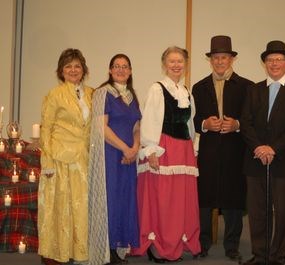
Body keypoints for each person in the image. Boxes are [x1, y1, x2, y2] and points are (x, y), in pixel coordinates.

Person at [240, 40, 285, 265]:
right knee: (258, 212)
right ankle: (260, 255)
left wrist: (273, 148)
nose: (275, 63)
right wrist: (259, 147)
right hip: (255, 159)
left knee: (282, 213)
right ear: (264, 63)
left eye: (279, 59)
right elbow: (246, 122)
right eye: (270, 60)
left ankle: (278, 256)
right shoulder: (253, 89)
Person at [133, 46, 201, 262]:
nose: (176, 65)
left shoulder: (186, 91)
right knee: (162, 198)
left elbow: (189, 123)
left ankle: (175, 241)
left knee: (180, 199)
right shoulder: (157, 88)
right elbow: (151, 119)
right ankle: (158, 244)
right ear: (164, 64)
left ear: (185, 65)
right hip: (164, 148)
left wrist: (192, 148)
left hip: (183, 151)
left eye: (180, 61)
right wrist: (151, 149)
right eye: (172, 61)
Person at [192, 35, 254, 259]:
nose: (220, 62)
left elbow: (250, 119)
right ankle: (203, 242)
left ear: (231, 59)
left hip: (235, 151)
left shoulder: (247, 86)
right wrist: (205, 124)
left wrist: (236, 124)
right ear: (210, 60)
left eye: (224, 57)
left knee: (234, 199)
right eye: (216, 57)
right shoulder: (199, 87)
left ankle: (232, 246)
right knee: (205, 198)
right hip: (208, 151)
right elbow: (195, 118)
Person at [38, 48, 93, 265]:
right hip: (60, 159)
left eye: (77, 66)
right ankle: (55, 253)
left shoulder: (91, 93)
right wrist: (48, 162)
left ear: (84, 69)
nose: (73, 70)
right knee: (59, 208)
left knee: (80, 209)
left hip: (84, 159)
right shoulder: (54, 94)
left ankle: (78, 252)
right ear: (61, 70)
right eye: (68, 66)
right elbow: (46, 129)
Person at [88, 54, 141, 265]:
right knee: (109, 200)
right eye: (116, 66)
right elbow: (101, 128)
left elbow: (137, 126)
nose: (121, 70)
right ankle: (106, 250)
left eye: (125, 66)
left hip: (129, 157)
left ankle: (119, 245)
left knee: (124, 200)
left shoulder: (132, 95)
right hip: (109, 155)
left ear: (130, 71)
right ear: (110, 70)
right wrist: (125, 148)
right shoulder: (103, 93)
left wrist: (135, 147)